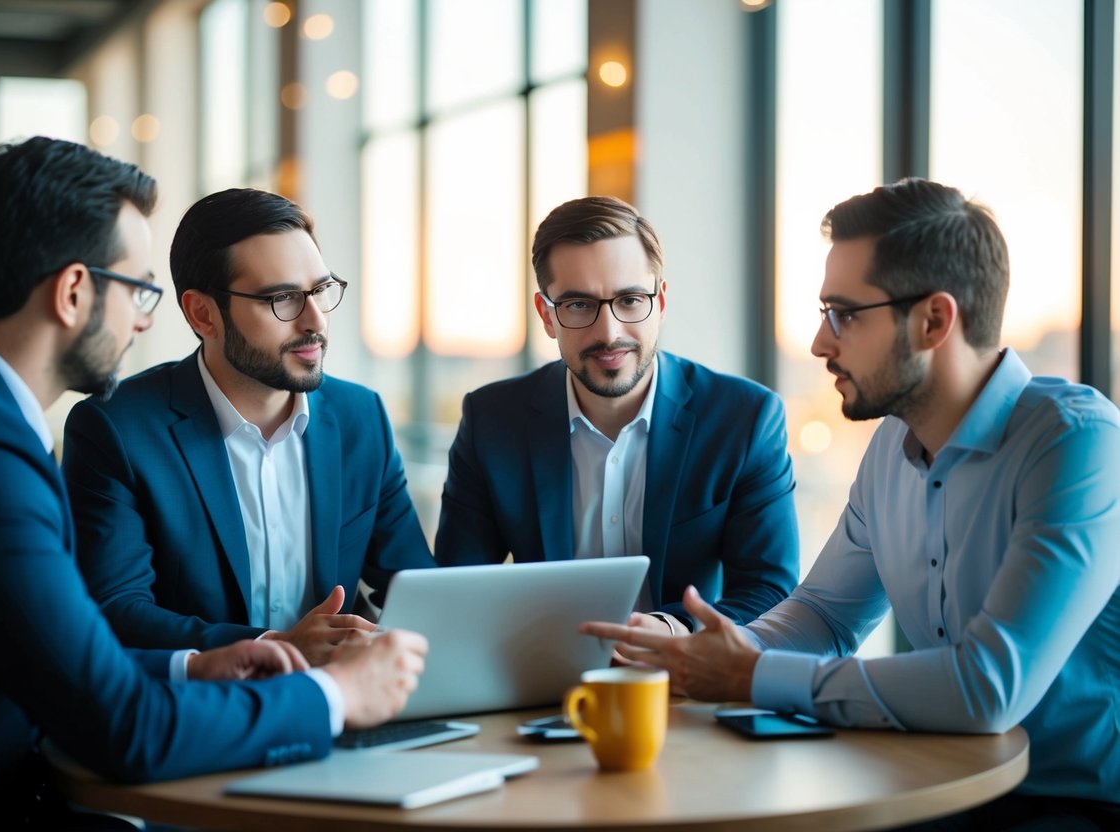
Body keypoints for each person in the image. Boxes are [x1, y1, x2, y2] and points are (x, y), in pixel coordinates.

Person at [0, 137, 427, 831]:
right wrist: (333, 694)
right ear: (72, 293)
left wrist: (194, 666)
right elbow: (121, 723)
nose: (145, 318)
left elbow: (63, 662)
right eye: (138, 289)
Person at [581, 179, 1120, 828]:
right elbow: (823, 616)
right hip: (942, 779)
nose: (818, 343)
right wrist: (706, 653)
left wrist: (750, 676)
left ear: (933, 321)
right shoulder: (893, 444)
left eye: (843, 314)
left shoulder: (1075, 443)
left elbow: (987, 689)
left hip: (1075, 802)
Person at [62, 187, 436, 666]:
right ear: (203, 313)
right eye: (282, 298)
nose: (315, 321)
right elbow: (116, 612)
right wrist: (273, 647)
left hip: (345, 706)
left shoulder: (361, 417)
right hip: (202, 719)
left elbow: (416, 589)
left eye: (320, 290)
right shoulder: (116, 429)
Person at [435, 196, 800, 633]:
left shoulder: (744, 419)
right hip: (539, 679)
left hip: (683, 676)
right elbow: (457, 588)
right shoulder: (490, 420)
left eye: (629, 300)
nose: (608, 333)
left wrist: (671, 630)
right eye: (578, 305)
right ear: (546, 316)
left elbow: (769, 589)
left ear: (661, 302)